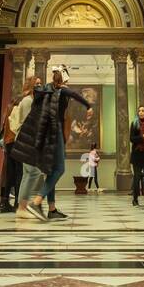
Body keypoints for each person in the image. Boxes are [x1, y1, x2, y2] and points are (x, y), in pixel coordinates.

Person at [22, 69, 93, 221]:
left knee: (51, 170)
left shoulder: (47, 88)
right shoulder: (63, 90)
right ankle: (37, 201)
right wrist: (89, 106)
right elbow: (76, 95)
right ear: (65, 79)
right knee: (60, 169)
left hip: (46, 133)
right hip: (55, 131)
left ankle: (52, 209)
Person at [0, 76, 38, 214]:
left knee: (9, 172)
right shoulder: (27, 101)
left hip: (9, 140)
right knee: (20, 172)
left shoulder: (13, 102)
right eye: (37, 84)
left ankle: (3, 202)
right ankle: (17, 203)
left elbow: (5, 122)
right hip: (18, 140)